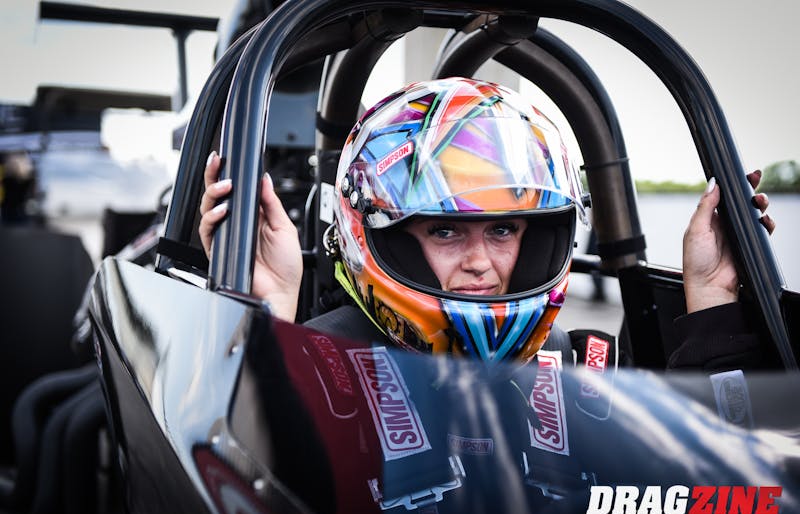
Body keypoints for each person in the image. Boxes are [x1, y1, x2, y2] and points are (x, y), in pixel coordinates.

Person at [199, 77, 774, 370]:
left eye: (503, 230)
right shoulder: (321, 365)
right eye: (445, 231)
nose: (480, 263)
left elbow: (711, 485)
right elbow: (248, 469)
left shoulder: (580, 370)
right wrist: (268, 310)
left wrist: (712, 298)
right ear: (384, 236)